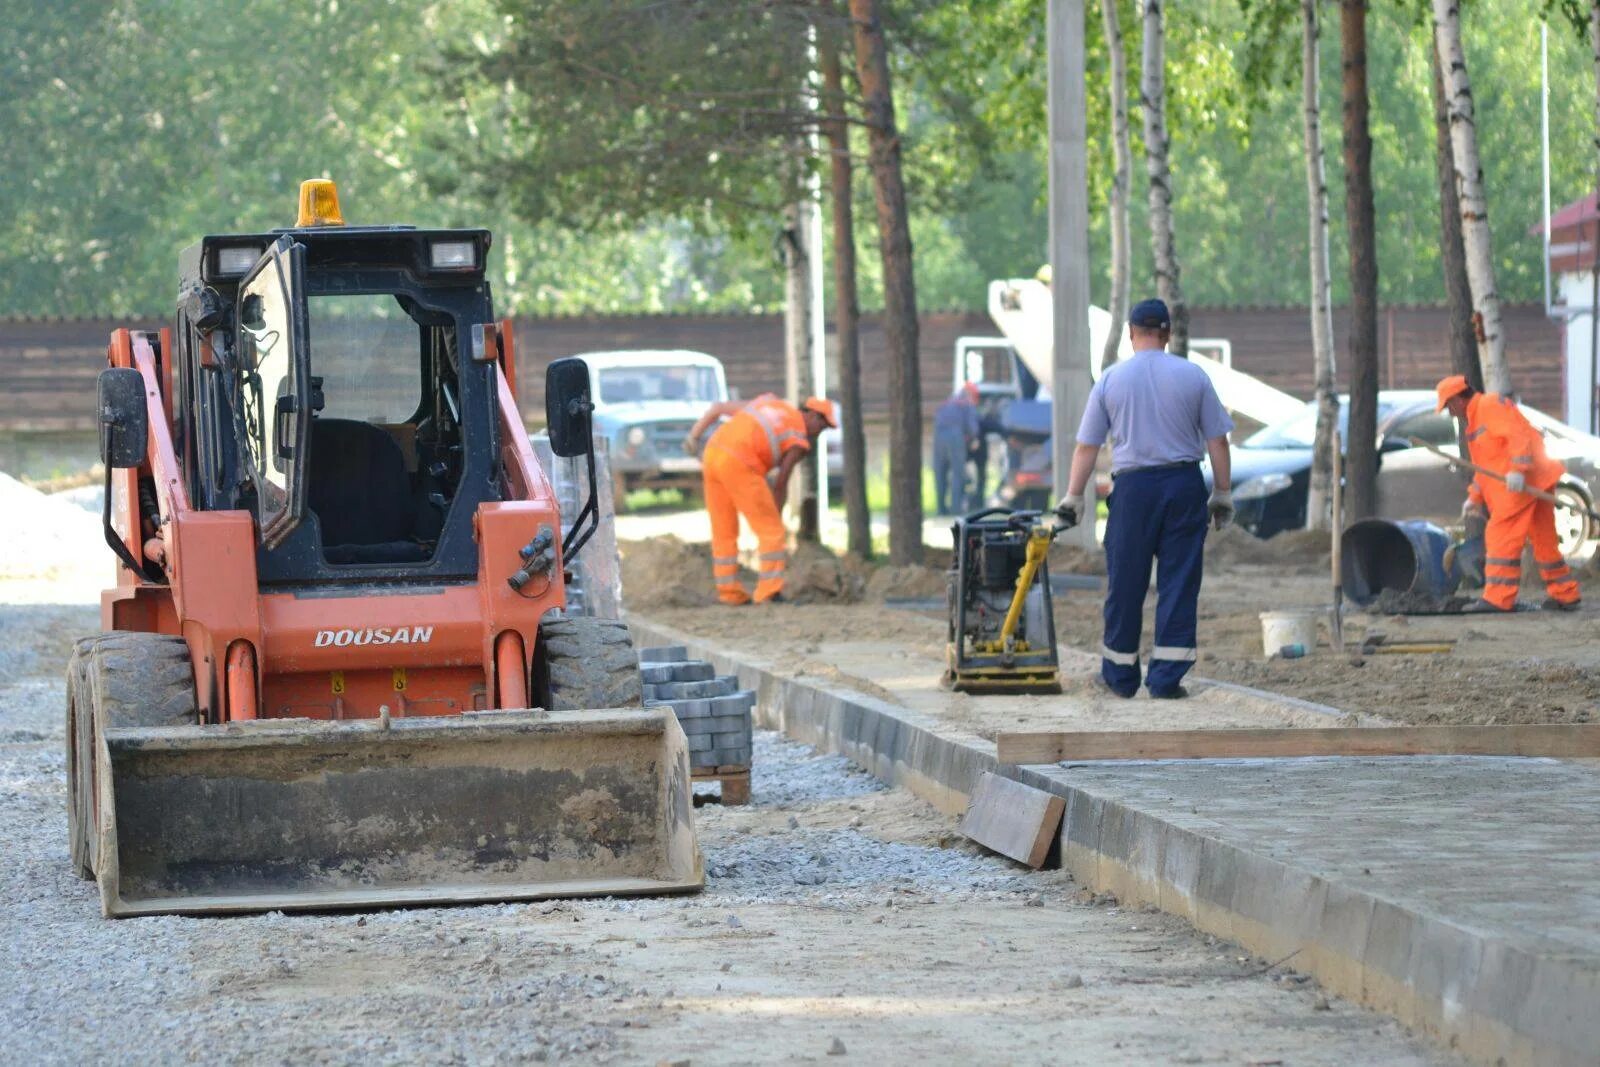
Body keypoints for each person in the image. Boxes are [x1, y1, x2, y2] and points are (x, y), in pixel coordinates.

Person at [1055, 298, 1235, 699]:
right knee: (1179, 581)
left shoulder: (1111, 380)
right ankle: (1166, 679)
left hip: (1133, 491)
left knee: (1125, 582)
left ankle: (1120, 678)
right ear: (1167, 333)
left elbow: (1087, 446)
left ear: (1131, 334)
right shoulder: (1194, 376)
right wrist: (1222, 493)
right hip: (1183, 486)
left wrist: (1073, 498)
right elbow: (1218, 441)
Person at [1434, 375, 1580, 612]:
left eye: (1448, 406)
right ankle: (1565, 594)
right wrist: (1474, 497)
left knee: (1499, 536)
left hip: (1523, 483)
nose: (1449, 412)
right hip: (1534, 480)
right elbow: (1485, 468)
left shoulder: (1489, 406)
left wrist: (1518, 470)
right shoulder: (1475, 421)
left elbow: (1518, 435)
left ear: (1458, 399)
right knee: (1544, 540)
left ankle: (1498, 598)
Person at [684, 393, 836, 605]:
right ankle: (769, 592)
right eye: (822, 427)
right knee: (772, 532)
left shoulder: (768, 402)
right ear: (813, 415)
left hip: (713, 454)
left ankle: (729, 593)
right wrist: (776, 515)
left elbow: (717, 408)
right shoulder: (798, 438)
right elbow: (781, 482)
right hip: (740, 462)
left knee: (723, 529)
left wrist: (694, 437)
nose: (819, 433)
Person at [933, 383, 981, 515]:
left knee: (940, 473)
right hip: (955, 437)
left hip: (938, 437)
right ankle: (956, 508)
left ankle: (941, 509)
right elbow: (973, 428)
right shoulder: (967, 404)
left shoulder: (946, 403)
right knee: (957, 473)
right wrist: (973, 440)